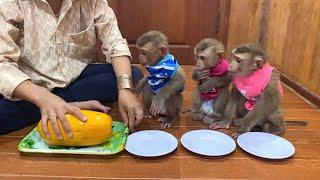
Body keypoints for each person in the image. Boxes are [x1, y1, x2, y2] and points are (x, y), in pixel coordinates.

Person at [0, 0, 144, 138]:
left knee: (132, 75)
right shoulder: (11, 3)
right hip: (30, 87)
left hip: (75, 80)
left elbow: (115, 43)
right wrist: (43, 98)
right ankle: (59, 106)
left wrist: (125, 89)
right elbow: (2, 64)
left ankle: (60, 106)